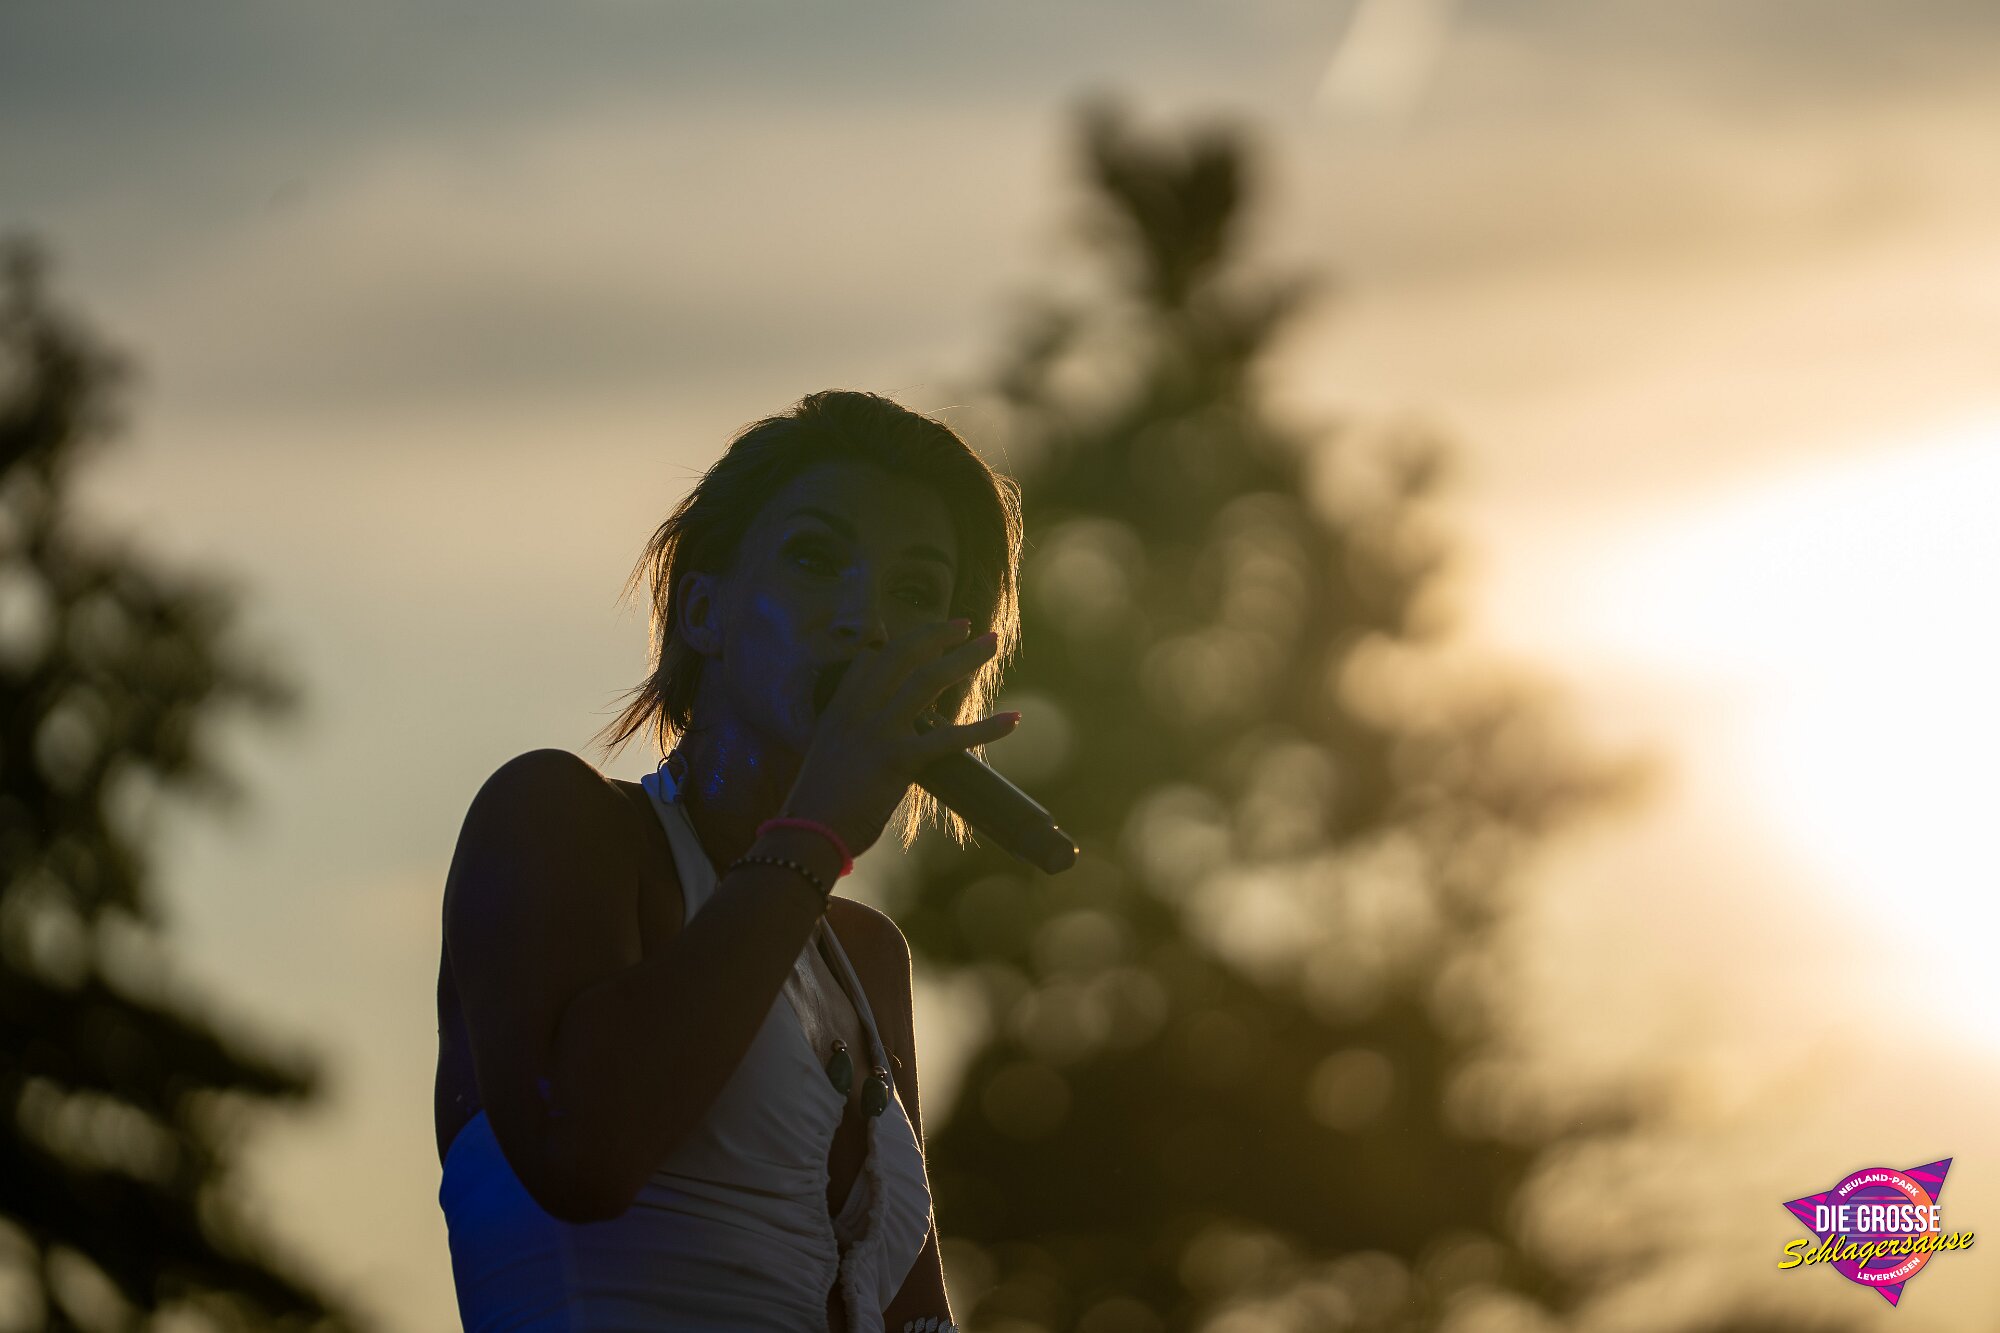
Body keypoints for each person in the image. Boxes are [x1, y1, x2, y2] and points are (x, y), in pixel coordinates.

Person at [434, 389, 1025, 1332]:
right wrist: (814, 830)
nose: (867, 620)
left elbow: (912, 1313)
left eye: (916, 593)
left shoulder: (868, 960)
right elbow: (582, 1151)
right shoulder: (555, 821)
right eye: (814, 559)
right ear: (704, 611)